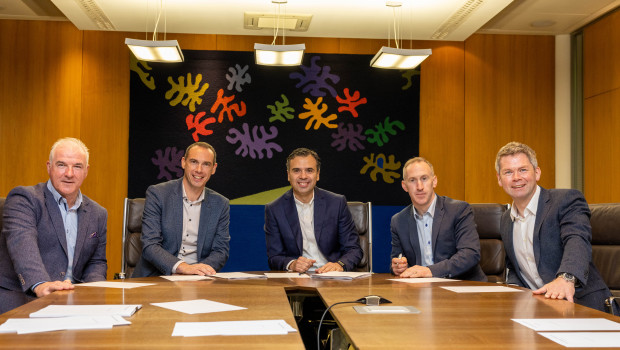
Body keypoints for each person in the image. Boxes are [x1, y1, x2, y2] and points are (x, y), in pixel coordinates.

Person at [496, 141, 615, 312]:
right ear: (499, 179)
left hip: (582, 306)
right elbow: (514, 267)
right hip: (538, 309)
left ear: (537, 173)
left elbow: (577, 240)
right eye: (508, 172)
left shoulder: (565, 200)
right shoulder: (506, 219)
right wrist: (514, 291)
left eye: (523, 170)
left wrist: (566, 279)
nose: (516, 177)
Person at [0, 138, 107, 313]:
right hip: (23, 298)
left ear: (86, 171)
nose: (69, 173)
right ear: (49, 167)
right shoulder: (24, 199)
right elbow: (22, 244)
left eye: (77, 166)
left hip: (73, 302)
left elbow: (96, 262)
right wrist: (41, 284)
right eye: (62, 165)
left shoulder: (98, 213)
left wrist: (91, 293)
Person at [133, 142, 230, 277]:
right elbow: (150, 245)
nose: (199, 170)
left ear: (213, 168)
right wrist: (182, 267)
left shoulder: (221, 204)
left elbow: (220, 251)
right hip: (158, 277)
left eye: (206, 164)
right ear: (184, 162)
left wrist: (198, 271)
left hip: (199, 280)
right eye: (194, 162)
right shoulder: (158, 194)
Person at [264, 148, 362, 273]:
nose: (303, 176)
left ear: (318, 174)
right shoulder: (274, 209)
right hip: (297, 279)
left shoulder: (337, 203)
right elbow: (274, 257)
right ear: (288, 175)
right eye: (296, 171)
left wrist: (339, 265)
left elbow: (354, 249)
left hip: (332, 277)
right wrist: (292, 264)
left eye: (309, 170)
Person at [391, 157, 486, 281]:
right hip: (419, 291)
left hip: (461, 287)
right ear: (404, 186)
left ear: (434, 181)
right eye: (412, 180)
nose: (419, 187)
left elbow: (470, 254)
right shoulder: (398, 221)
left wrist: (430, 271)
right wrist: (398, 267)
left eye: (424, 179)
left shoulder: (459, 210)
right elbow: (397, 259)